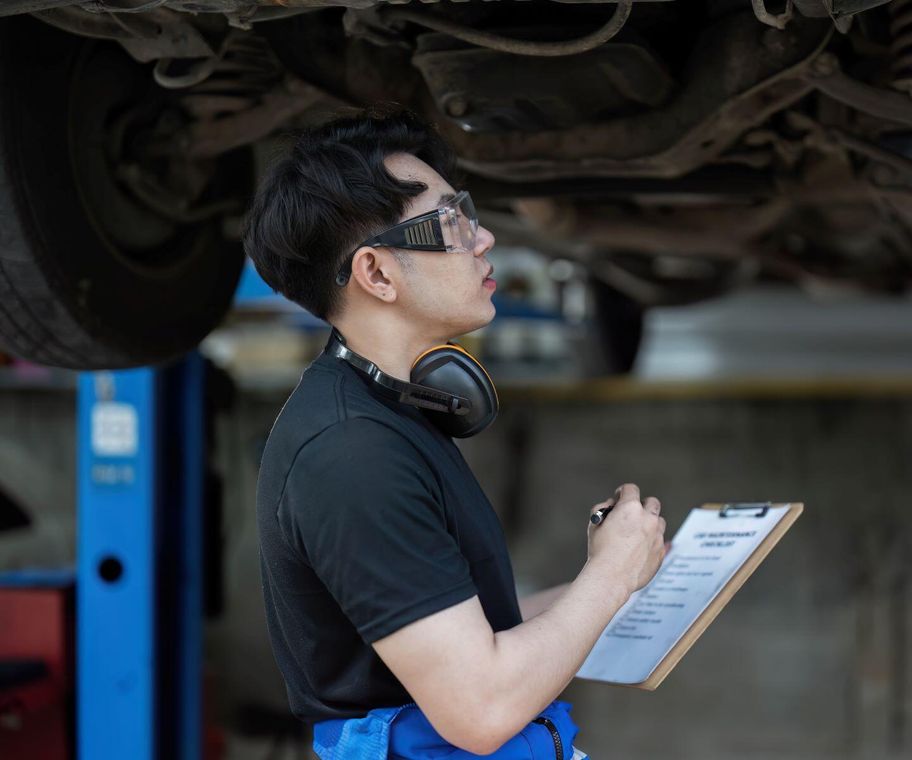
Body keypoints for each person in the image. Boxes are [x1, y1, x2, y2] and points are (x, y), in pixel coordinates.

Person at [243, 109, 667, 759]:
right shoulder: (351, 454)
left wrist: (620, 579)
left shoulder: (390, 414)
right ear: (376, 274)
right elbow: (480, 708)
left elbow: (459, 631)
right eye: (451, 223)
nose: (484, 238)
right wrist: (609, 576)